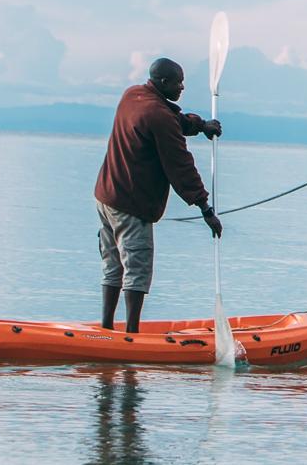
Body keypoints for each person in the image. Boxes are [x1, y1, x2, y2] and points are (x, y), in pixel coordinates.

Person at [93, 57, 224, 332]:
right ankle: (131, 334)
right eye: (178, 83)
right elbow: (181, 167)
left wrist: (201, 126)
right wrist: (206, 209)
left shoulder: (133, 95)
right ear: (163, 82)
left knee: (113, 264)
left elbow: (173, 119)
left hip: (106, 195)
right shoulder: (158, 115)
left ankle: (106, 328)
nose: (182, 87)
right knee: (136, 268)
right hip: (131, 203)